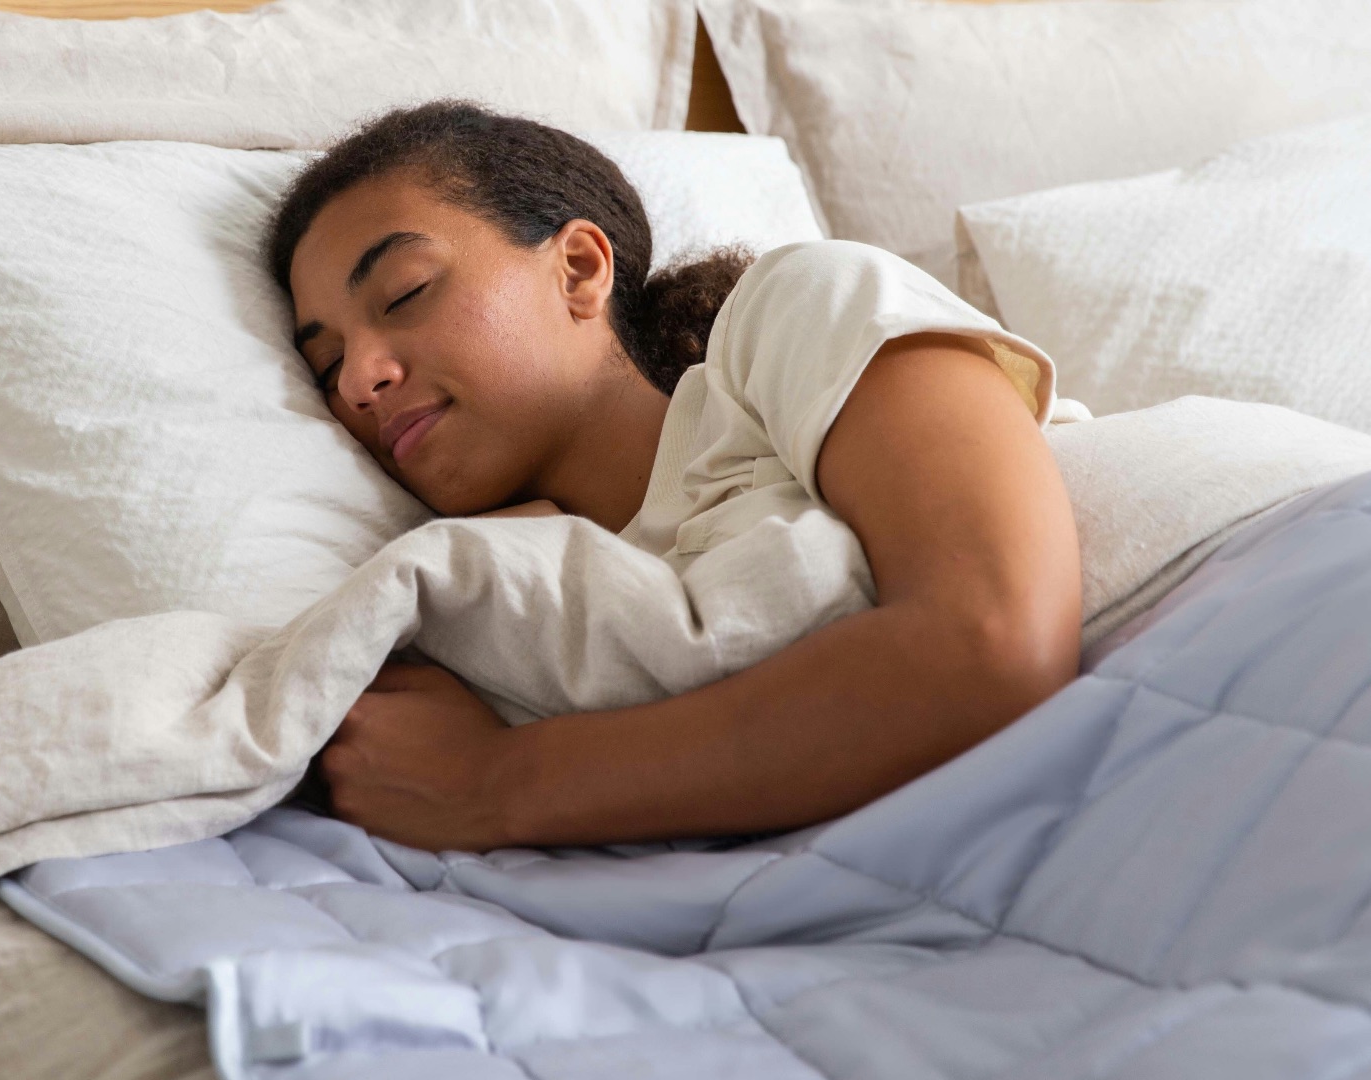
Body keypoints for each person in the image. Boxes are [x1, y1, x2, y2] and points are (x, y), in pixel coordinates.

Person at [269, 102, 1081, 852]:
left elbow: (994, 639)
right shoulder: (487, 602)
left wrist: (500, 781)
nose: (357, 381)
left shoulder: (797, 311)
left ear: (580, 269)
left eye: (405, 291)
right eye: (326, 363)